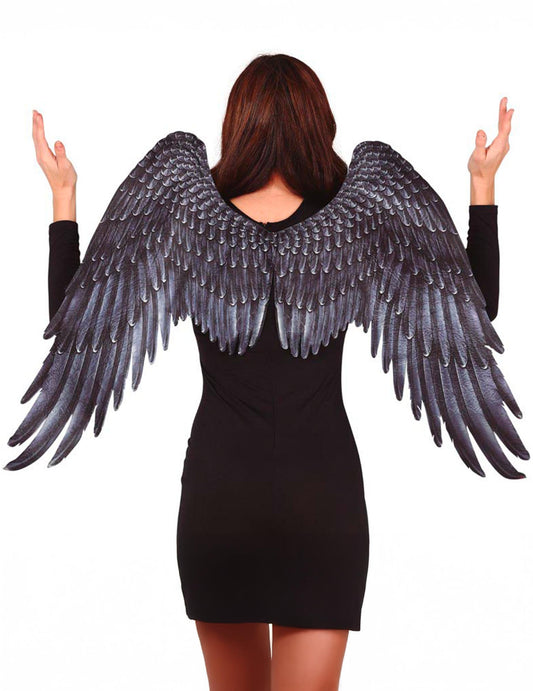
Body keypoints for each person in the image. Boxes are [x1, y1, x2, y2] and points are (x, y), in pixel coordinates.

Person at [32, 54, 510, 691]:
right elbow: (475, 308)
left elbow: (75, 317)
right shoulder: (361, 210)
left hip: (219, 504)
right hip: (323, 504)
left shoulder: (186, 206)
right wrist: (482, 186)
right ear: (319, 123)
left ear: (239, 124)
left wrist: (63, 197)